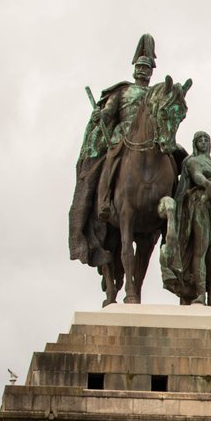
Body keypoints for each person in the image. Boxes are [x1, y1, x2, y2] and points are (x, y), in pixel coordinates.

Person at [68, 34, 158, 269]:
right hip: (123, 136)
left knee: (177, 160)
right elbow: (109, 114)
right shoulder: (122, 91)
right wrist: (99, 116)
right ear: (134, 69)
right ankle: (105, 200)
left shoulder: (156, 94)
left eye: (146, 68)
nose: (142, 71)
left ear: (151, 73)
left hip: (153, 140)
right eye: (140, 67)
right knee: (110, 160)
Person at [160, 131, 211, 305]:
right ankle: (200, 294)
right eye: (200, 140)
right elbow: (197, 175)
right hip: (200, 205)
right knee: (201, 250)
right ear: (195, 144)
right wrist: (207, 184)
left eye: (206, 139)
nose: (204, 142)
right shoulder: (193, 161)